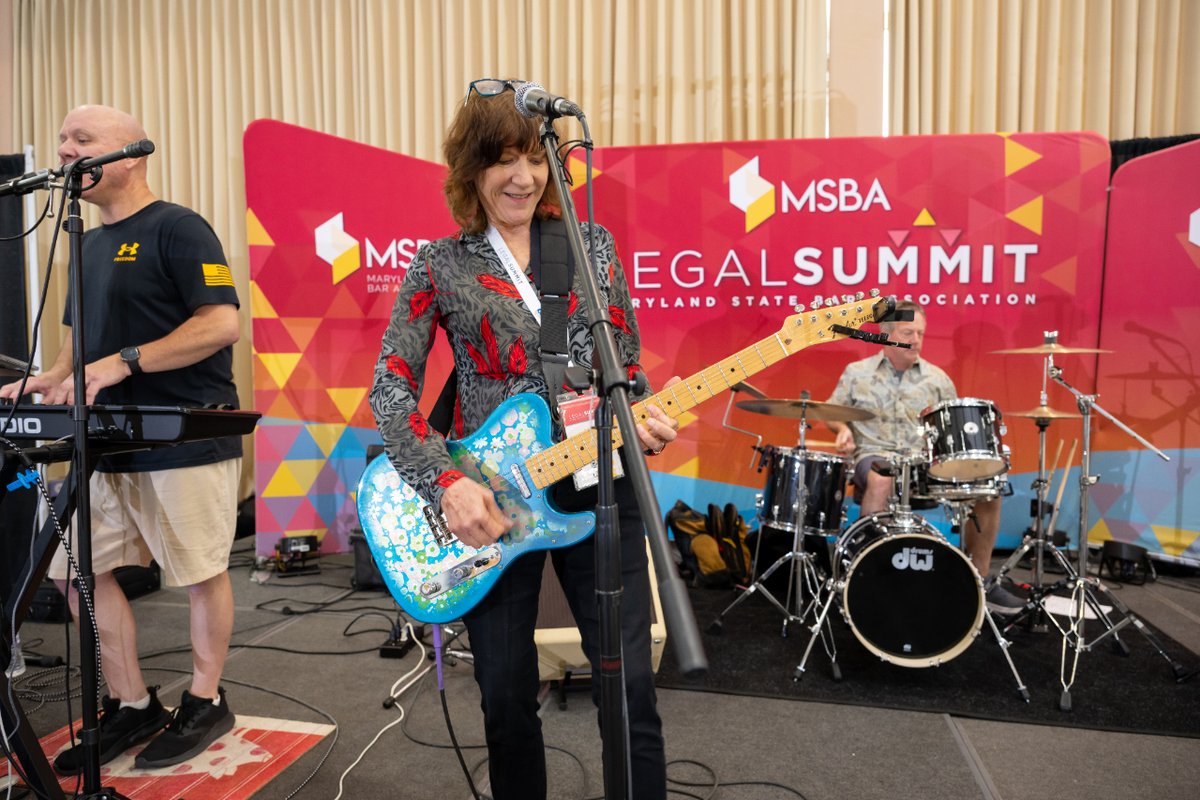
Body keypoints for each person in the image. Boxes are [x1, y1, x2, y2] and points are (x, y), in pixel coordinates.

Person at [369, 79, 679, 800]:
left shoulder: (589, 242)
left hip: (599, 484)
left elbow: (623, 365)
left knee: (628, 690)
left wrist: (639, 414)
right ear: (471, 168)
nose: (522, 176)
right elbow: (390, 389)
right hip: (492, 495)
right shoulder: (440, 263)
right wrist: (447, 483)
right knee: (506, 697)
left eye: (536, 158)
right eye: (503, 159)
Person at [0, 105, 242, 771]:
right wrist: (45, 381)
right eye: (61, 141)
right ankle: (132, 703)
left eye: (83, 141)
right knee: (77, 574)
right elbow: (78, 353)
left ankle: (205, 698)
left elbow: (221, 325)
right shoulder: (84, 239)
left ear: (132, 156)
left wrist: (125, 361)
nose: (66, 151)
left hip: (182, 435)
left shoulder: (179, 228)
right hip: (99, 444)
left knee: (198, 574)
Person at [824, 300, 1024, 614]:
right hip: (873, 456)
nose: (916, 339)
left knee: (989, 491)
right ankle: (864, 578)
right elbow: (832, 411)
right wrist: (842, 429)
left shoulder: (938, 380)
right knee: (881, 478)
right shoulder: (856, 373)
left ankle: (980, 581)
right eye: (908, 332)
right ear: (886, 334)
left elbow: (953, 433)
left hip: (922, 465)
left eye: (920, 333)